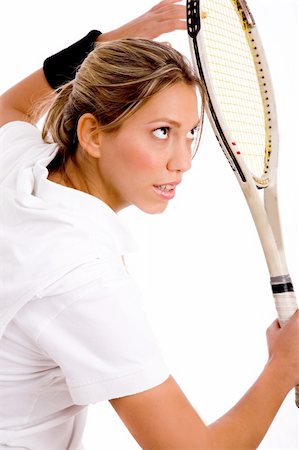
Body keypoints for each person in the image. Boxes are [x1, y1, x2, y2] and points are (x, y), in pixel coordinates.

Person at [0, 1, 298, 449]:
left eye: (191, 132)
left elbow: (11, 107)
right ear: (92, 134)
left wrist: (100, 46)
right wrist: (283, 369)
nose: (182, 163)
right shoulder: (81, 282)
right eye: (162, 131)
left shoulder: (21, 164)